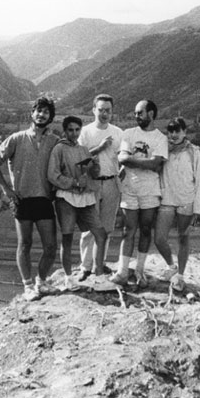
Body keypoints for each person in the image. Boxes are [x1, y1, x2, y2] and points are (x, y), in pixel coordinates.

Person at [0, 96, 60, 301]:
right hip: (23, 200)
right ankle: (28, 286)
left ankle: (41, 282)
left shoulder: (55, 141)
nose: (41, 114)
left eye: (46, 112)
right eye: (38, 110)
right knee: (25, 244)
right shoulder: (16, 138)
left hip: (45, 200)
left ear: (50, 117)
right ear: (32, 113)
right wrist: (6, 189)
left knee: (51, 246)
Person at [110, 99, 168, 287]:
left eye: (139, 113)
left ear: (151, 114)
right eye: (135, 113)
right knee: (128, 231)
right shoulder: (128, 133)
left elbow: (155, 164)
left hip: (150, 192)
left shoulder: (160, 138)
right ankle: (122, 271)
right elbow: (122, 158)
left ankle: (140, 271)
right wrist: (147, 163)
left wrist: (133, 160)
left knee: (145, 230)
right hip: (130, 190)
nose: (136, 116)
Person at [48, 115, 109, 291]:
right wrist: (74, 183)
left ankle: (99, 275)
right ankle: (68, 278)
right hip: (66, 198)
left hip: (85, 198)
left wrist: (94, 168)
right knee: (67, 238)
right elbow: (52, 175)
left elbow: (92, 174)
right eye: (70, 130)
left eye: (77, 130)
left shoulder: (84, 150)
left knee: (100, 233)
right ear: (65, 130)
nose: (74, 133)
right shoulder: (58, 149)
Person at [153, 117, 200, 292]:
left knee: (183, 237)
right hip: (167, 199)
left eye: (177, 131)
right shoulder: (163, 150)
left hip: (186, 201)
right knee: (159, 239)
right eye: (171, 131)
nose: (174, 135)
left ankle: (180, 277)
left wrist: (199, 208)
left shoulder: (193, 151)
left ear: (185, 132)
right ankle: (171, 267)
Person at [77, 94, 123, 280]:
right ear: (94, 110)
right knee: (89, 228)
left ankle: (99, 264)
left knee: (106, 227)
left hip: (112, 182)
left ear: (112, 112)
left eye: (108, 110)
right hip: (92, 183)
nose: (104, 114)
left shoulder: (118, 132)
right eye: (101, 110)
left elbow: (122, 156)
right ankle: (85, 267)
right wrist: (101, 147)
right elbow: (79, 158)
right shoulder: (86, 132)